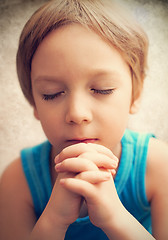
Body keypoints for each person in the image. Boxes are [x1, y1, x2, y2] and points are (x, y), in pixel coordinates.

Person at [0, 0, 168, 239]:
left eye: (103, 89)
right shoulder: (17, 181)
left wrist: (115, 219)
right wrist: (54, 220)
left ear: (135, 94)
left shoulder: (159, 165)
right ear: (34, 103)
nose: (77, 114)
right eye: (52, 93)